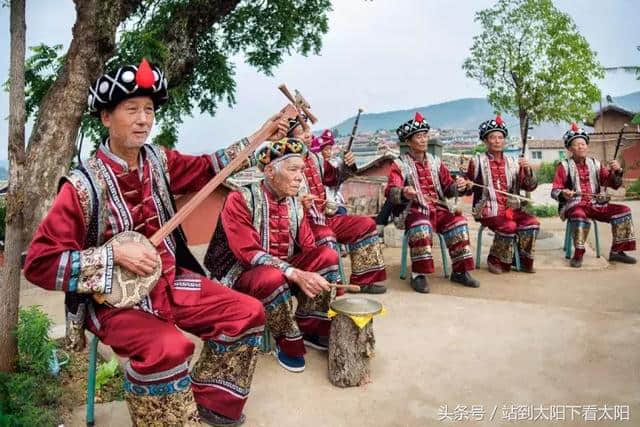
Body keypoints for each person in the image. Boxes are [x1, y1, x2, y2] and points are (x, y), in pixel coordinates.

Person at [23, 59, 290, 426]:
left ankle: (212, 404)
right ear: (106, 118)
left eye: (148, 110)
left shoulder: (160, 161)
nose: (143, 119)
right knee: (169, 347)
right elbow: (39, 263)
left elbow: (210, 168)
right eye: (131, 109)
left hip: (171, 282)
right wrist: (112, 252)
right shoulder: (82, 188)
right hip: (115, 305)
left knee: (246, 313)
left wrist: (261, 134)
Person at [204, 138, 339, 373]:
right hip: (242, 272)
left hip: (285, 268)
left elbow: (308, 247)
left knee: (327, 256)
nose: (300, 177)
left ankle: (311, 326)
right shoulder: (240, 199)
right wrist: (292, 272)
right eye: (293, 170)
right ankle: (287, 342)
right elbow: (248, 253)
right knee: (271, 278)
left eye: (302, 170)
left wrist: (321, 274)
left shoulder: (295, 204)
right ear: (270, 171)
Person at [289, 118, 388, 294]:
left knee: (365, 224)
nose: (308, 135)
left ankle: (363, 280)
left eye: (308, 130)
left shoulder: (315, 159)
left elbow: (335, 177)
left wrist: (348, 164)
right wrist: (300, 205)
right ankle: (332, 289)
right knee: (326, 235)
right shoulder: (284, 163)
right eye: (301, 132)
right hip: (301, 226)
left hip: (324, 218)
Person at [386, 112, 478, 293]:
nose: (423, 140)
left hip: (439, 210)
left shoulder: (436, 162)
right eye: (418, 137)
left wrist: (459, 185)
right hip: (413, 211)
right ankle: (418, 275)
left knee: (459, 222)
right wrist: (404, 192)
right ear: (409, 141)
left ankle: (460, 271)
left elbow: (448, 187)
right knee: (421, 225)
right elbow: (391, 191)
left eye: (425, 136)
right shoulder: (399, 164)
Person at [551, 123, 636, 267]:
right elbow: (555, 191)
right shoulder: (563, 166)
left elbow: (612, 184)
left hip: (596, 204)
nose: (581, 147)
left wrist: (617, 171)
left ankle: (617, 252)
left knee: (624, 212)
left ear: (587, 146)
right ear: (570, 149)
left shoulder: (595, 164)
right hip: (575, 205)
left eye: (583, 144)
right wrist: (564, 193)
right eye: (577, 145)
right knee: (579, 215)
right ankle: (578, 255)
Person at [465, 115, 539, 274]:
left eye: (500, 137)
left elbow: (530, 187)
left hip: (512, 209)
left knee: (532, 222)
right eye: (493, 137)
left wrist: (527, 170)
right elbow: (466, 187)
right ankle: (495, 258)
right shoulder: (477, 161)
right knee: (509, 225)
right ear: (486, 141)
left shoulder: (514, 162)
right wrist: (465, 184)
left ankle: (523, 259)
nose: (497, 140)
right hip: (487, 209)